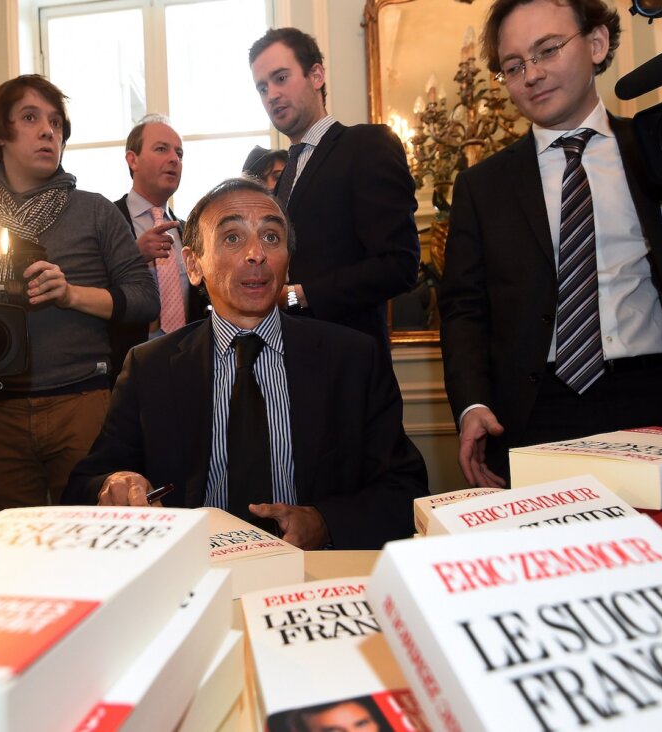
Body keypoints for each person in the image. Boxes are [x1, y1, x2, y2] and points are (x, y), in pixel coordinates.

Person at [438, 0, 662, 487]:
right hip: (538, 411)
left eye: (547, 51)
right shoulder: (484, 186)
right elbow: (464, 308)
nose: (532, 75)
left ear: (597, 44)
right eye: (514, 66)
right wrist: (473, 404)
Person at [64, 178, 427, 550]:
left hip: (312, 573)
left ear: (288, 262)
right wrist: (120, 483)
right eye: (233, 238)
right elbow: (87, 482)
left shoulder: (352, 359)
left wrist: (325, 522)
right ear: (192, 265)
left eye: (271, 237)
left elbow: (405, 489)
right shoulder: (150, 367)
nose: (257, 254)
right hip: (192, 573)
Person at [0, 75, 156, 515]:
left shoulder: (94, 211)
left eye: (55, 123)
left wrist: (70, 294)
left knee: (95, 543)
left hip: (83, 403)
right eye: (31, 118)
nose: (47, 132)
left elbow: (146, 298)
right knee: (9, 554)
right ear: (0, 132)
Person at [248, 28, 420, 355]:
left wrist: (297, 295)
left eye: (281, 78)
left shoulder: (368, 145)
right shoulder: (286, 175)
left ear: (316, 75)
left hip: (349, 364)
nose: (271, 94)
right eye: (262, 87)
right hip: (289, 363)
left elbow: (399, 265)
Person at [108, 115, 207, 381]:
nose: (174, 159)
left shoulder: (188, 231)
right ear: (133, 160)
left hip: (187, 368)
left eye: (180, 153)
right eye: (162, 149)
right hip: (126, 371)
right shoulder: (106, 221)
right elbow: (86, 288)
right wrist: (132, 257)